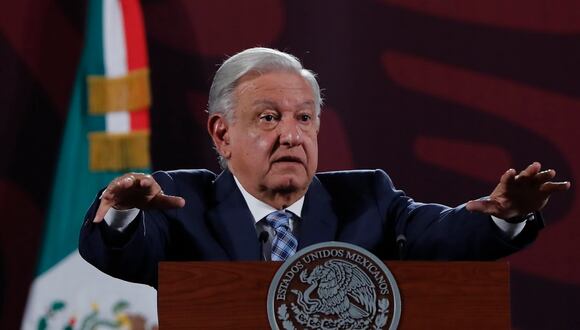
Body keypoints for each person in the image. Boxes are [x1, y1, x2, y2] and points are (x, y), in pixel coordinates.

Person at [79, 47, 570, 288]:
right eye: (269, 117)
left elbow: (444, 234)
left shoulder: (368, 199)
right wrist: (121, 214)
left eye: (304, 118)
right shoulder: (181, 204)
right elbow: (122, 254)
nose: (291, 134)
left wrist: (506, 215)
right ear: (222, 134)